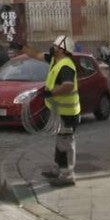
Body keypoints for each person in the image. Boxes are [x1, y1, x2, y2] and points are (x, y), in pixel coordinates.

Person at [40, 35, 82, 186]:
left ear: (62, 49)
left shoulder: (66, 66)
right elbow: (37, 55)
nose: (53, 47)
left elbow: (68, 85)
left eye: (55, 45)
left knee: (66, 142)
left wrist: (51, 93)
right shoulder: (56, 61)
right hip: (61, 111)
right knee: (61, 140)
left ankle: (68, 175)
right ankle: (58, 169)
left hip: (68, 112)